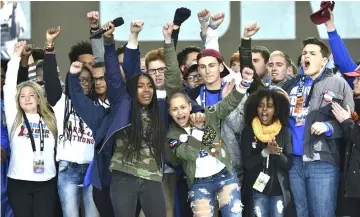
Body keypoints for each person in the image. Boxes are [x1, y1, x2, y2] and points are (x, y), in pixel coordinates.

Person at [281, 37, 354, 217]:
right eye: (305, 53)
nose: (307, 56)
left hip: (322, 160)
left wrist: (328, 127)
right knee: (301, 212)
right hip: (294, 161)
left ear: (324, 60)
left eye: (313, 53)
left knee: (323, 213)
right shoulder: (291, 84)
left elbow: (350, 123)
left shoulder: (339, 83)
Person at [166, 65, 253, 217]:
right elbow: (190, 155)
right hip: (199, 183)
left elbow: (227, 105)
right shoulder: (172, 135)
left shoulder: (206, 114)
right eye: (175, 109)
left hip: (225, 175)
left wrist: (244, 83)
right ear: (169, 112)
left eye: (183, 107)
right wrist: (197, 131)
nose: (180, 113)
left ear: (189, 106)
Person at [4, 41, 58, 217]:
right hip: (19, 183)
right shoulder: (15, 118)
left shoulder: (50, 118)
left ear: (39, 98)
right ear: (18, 101)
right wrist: (16, 56)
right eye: (22, 96)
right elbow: (9, 87)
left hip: (46, 182)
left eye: (31, 95)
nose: (27, 99)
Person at [241, 88, 296, 217]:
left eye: (269, 106)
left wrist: (277, 153)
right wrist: (265, 152)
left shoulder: (284, 132)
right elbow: (247, 164)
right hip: (257, 189)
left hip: (278, 191)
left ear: (276, 110)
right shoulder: (248, 131)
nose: (264, 110)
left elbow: (288, 164)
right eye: (260, 106)